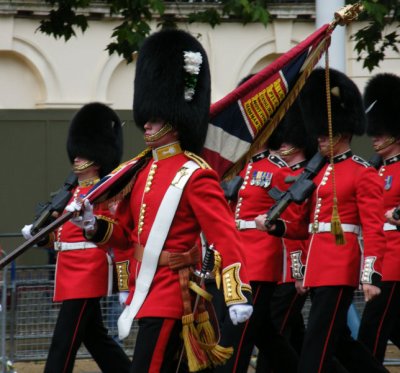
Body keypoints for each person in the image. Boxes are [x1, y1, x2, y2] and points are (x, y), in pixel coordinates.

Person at [67, 29, 253, 373]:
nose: (147, 126)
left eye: (154, 118)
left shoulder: (195, 174)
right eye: (146, 118)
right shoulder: (139, 171)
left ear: (174, 118)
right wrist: (94, 225)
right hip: (146, 288)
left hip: (172, 294)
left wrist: (236, 291)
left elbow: (224, 235)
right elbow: (124, 235)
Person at [256, 67, 388, 373]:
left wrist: (370, 275)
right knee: (339, 341)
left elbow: (372, 227)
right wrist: (279, 227)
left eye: (325, 134)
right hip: (318, 265)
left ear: (342, 133)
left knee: (315, 346)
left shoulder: (362, 172)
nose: (319, 139)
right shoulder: (317, 172)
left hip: (340, 265)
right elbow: (305, 225)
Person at [22, 102, 131, 373]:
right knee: (96, 339)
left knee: (64, 340)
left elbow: (113, 231)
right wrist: (39, 236)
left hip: (88, 269)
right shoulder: (70, 193)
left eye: (84, 153)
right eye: (77, 152)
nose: (77, 158)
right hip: (69, 268)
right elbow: (59, 237)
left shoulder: (106, 192)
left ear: (99, 155)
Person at [254, 100, 316, 372]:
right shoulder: (283, 173)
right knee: (292, 332)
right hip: (280, 266)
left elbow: (300, 230)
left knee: (277, 326)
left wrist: (300, 271)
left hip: (296, 267)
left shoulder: (302, 177)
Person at [357, 73, 400, 363]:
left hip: (394, 260)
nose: (375, 139)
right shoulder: (377, 170)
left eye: (380, 134)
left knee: (370, 333)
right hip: (377, 257)